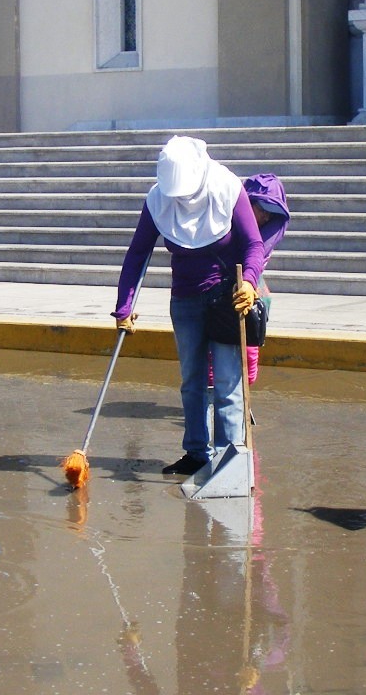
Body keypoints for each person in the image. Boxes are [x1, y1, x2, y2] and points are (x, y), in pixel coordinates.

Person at [113, 136, 265, 477]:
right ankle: (197, 453)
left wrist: (250, 283)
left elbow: (254, 242)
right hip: (184, 301)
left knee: (227, 384)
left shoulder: (226, 187)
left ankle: (230, 461)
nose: (181, 200)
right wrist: (124, 306)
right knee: (192, 381)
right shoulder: (159, 199)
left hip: (227, 298)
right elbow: (137, 253)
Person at [214, 173, 291, 385]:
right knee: (215, 348)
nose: (266, 217)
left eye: (271, 214)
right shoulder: (226, 227)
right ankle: (212, 396)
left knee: (249, 347)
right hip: (220, 291)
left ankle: (243, 390)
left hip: (253, 290)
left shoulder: (267, 233)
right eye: (262, 210)